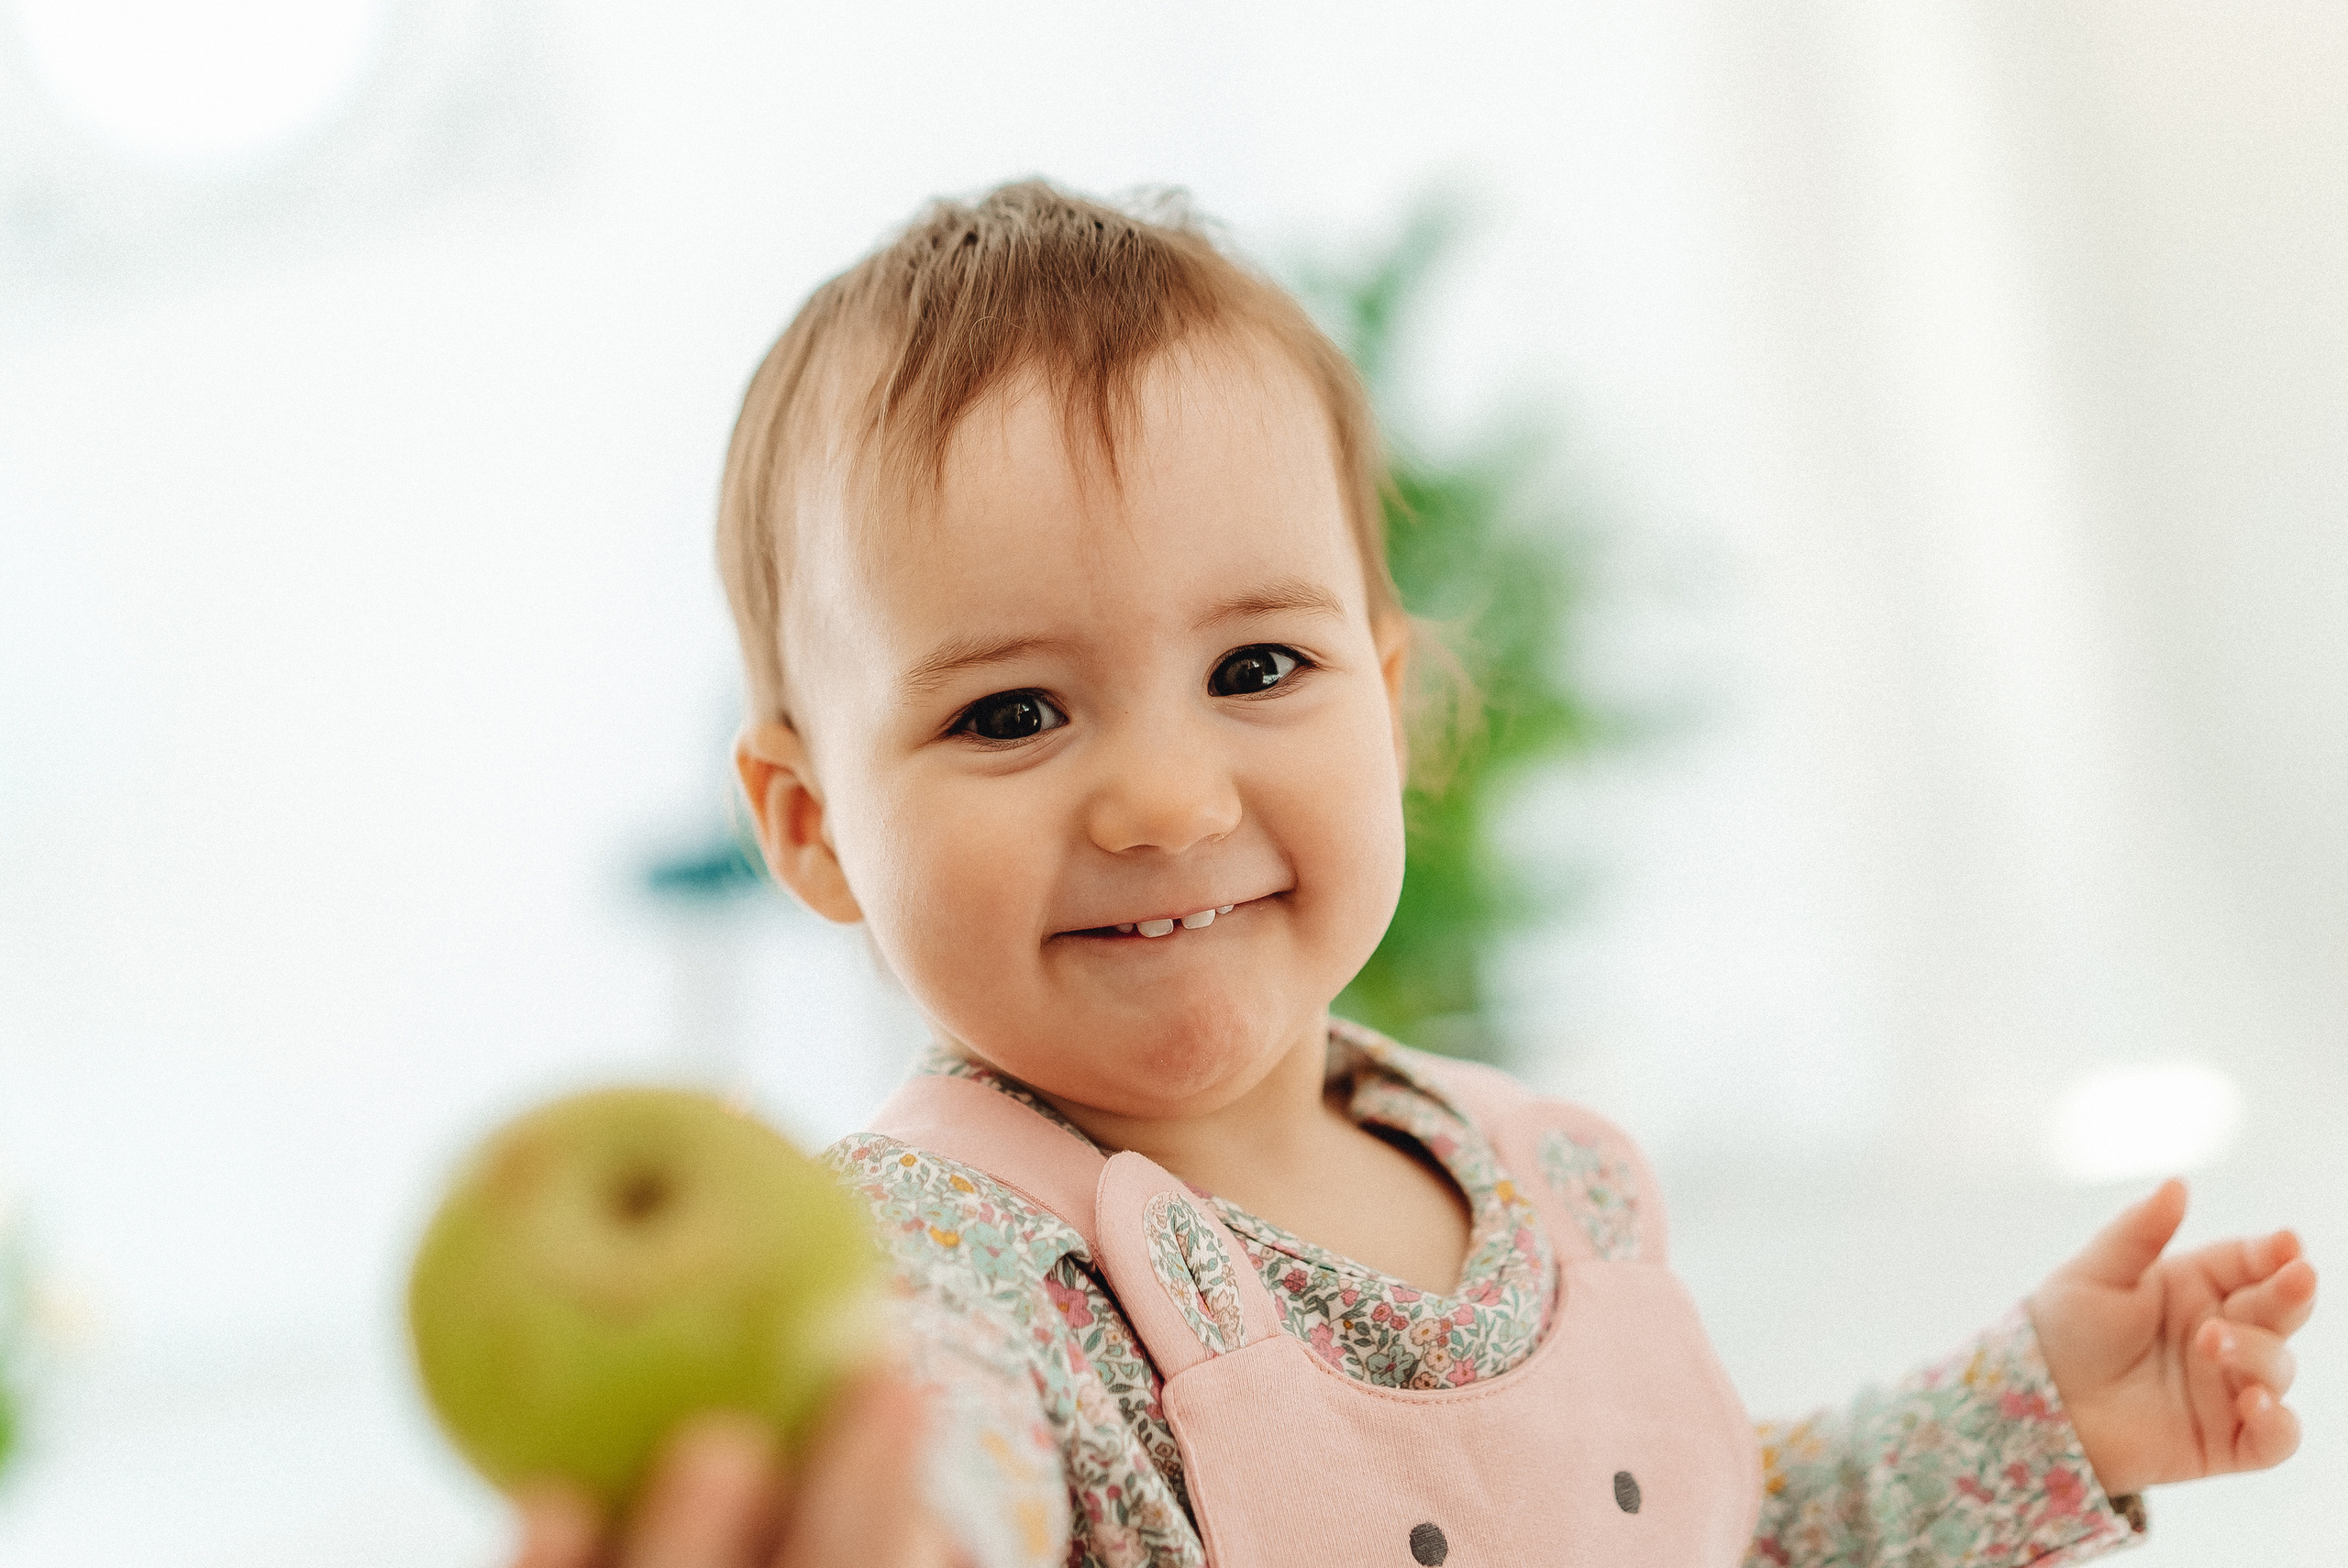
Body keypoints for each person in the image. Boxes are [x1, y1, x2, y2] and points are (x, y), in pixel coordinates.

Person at [512, 181, 2319, 1568]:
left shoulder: (1556, 1185)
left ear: (1386, 707)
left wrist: (2038, 1413)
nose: (1156, 796)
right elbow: (932, 1449)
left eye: (1252, 670)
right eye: (1008, 711)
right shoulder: (935, 1269)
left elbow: (1711, 1529)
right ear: (812, 824)